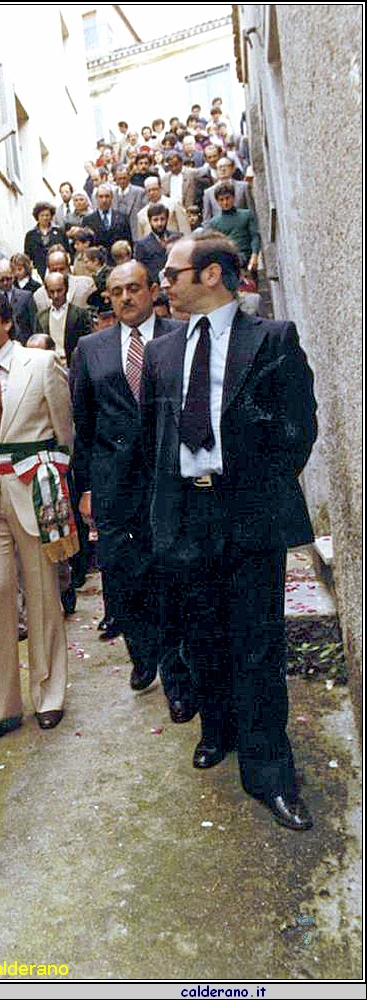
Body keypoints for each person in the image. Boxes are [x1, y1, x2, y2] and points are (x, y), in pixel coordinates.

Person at [144, 232, 317, 830]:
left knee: (258, 644)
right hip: (185, 515)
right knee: (201, 636)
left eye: (172, 273)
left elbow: (300, 428)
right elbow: (152, 440)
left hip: (247, 513)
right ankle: (218, 731)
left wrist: (257, 488)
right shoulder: (163, 351)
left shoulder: (271, 339)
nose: (163, 283)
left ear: (212, 274)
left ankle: (270, 773)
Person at [72, 262, 190, 712]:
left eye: (134, 289)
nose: (125, 298)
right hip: (114, 485)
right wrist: (85, 488)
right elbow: (83, 425)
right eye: (116, 291)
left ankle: (178, 681)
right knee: (127, 577)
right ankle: (143, 655)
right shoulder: (91, 348)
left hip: (169, 480)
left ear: (153, 290)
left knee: (173, 577)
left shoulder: (180, 336)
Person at [0, 291, 74, 743]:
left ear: (7, 322)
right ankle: (0, 706)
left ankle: (49, 695)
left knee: (44, 594)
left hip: (34, 491)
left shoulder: (40, 364)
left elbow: (64, 430)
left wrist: (52, 473)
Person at [37, 270, 92, 365]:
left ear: (66, 289)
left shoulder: (80, 314)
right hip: (49, 366)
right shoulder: (40, 317)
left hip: (74, 365)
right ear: (47, 292)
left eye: (59, 290)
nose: (56, 296)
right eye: (52, 292)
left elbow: (86, 344)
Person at [0, 258, 38, 343]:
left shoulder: (26, 297)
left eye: (8, 278)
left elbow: (34, 326)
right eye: (1, 280)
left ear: (13, 275)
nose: (5, 283)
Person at [24, 202, 68, 279]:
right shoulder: (30, 235)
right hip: (39, 271)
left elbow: (67, 250)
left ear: (51, 216)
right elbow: (27, 256)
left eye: (47, 215)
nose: (45, 218)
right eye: (42, 215)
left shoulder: (60, 231)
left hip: (58, 269)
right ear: (37, 217)